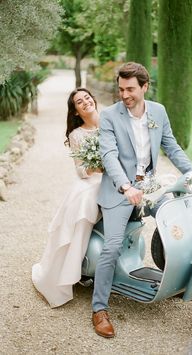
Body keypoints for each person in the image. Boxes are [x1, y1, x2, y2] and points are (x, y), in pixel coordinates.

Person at [91, 62, 192, 338]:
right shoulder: (110, 116)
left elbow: (171, 145)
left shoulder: (158, 112)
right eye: (120, 89)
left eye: (130, 89)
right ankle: (99, 308)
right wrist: (126, 186)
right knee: (112, 247)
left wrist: (191, 171)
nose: (124, 95)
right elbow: (109, 155)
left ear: (144, 87)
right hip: (119, 191)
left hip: (148, 186)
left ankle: (178, 280)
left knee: (179, 221)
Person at [32, 88, 102, 308]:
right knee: (84, 206)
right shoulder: (77, 135)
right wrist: (101, 166)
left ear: (94, 100)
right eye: (79, 102)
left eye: (87, 98)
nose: (85, 102)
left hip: (118, 181)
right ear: (75, 112)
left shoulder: (110, 123)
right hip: (92, 182)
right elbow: (81, 170)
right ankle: (63, 277)